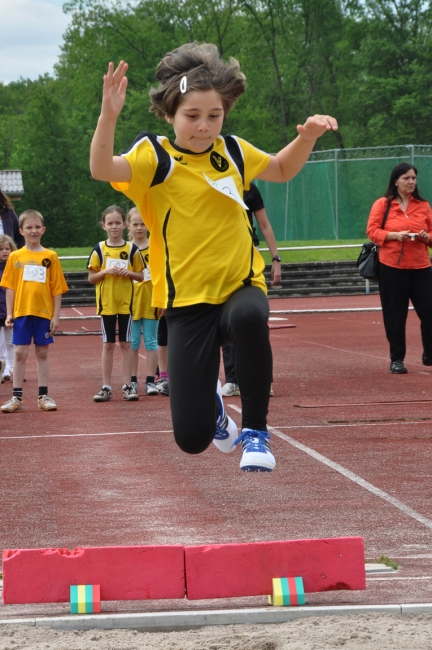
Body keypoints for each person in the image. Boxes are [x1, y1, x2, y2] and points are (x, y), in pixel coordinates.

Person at [90, 42, 337, 472]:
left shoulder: (235, 152)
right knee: (191, 438)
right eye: (192, 117)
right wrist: (108, 114)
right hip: (186, 306)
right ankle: (218, 416)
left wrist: (307, 137)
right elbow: (102, 169)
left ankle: (257, 432)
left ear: (224, 113)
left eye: (213, 116)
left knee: (247, 317)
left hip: (241, 286)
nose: (204, 127)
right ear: (170, 115)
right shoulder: (156, 159)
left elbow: (280, 168)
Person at [366, 162, 432, 374]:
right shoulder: (383, 204)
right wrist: (394, 235)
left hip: (421, 269)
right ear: (396, 181)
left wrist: (426, 237)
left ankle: (429, 354)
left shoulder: (423, 206)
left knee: (430, 312)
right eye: (406, 178)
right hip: (391, 268)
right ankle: (397, 359)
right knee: (395, 316)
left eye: (413, 178)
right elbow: (372, 231)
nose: (411, 182)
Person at [0, 210, 68, 413]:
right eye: (29, 227)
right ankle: (16, 397)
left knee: (42, 352)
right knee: (20, 353)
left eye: (37, 227)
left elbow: (57, 289)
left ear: (43, 229)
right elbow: (10, 287)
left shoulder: (50, 256)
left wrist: (56, 316)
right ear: (21, 231)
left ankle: (43, 395)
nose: (34, 231)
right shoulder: (15, 256)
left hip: (43, 314)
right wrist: (10, 313)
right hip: (21, 313)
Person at [221, 181, 281, 397]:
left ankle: (264, 379)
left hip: (247, 257)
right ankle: (233, 379)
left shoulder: (248, 187)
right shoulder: (209, 182)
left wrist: (276, 258)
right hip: (219, 258)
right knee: (226, 319)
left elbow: (264, 225)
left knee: (254, 319)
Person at [88, 205, 144, 402]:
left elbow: (140, 275)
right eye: (110, 223)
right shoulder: (99, 249)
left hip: (126, 304)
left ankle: (128, 385)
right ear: (103, 225)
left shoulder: (132, 249)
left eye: (117, 223)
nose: (114, 226)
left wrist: (129, 273)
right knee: (108, 345)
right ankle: (106, 386)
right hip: (107, 304)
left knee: (126, 344)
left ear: (124, 224)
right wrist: (105, 272)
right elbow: (91, 278)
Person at [127, 206, 160, 396]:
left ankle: (150, 380)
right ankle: (131, 380)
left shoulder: (156, 246)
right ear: (128, 226)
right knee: (132, 342)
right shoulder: (126, 249)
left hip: (151, 301)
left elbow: (162, 274)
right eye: (135, 224)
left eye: (142, 224)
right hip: (130, 303)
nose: (139, 228)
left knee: (151, 341)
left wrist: (162, 299)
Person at [0, 235, 17, 382]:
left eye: (7, 248)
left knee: (11, 342)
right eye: (1, 249)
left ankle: (12, 368)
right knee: (0, 343)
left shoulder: (16, 267)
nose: (5, 252)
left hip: (12, 311)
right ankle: (4, 370)